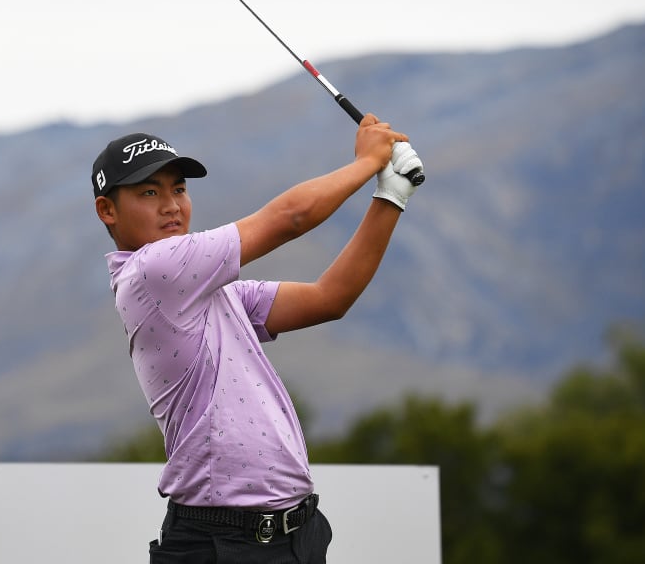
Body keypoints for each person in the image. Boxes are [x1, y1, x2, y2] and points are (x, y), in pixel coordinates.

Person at [91, 116, 423, 563]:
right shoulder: (154, 271)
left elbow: (329, 298)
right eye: (149, 192)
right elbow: (291, 217)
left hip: (293, 535)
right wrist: (368, 162)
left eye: (179, 188)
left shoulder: (208, 289)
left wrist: (391, 196)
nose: (171, 204)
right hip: (224, 542)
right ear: (107, 210)